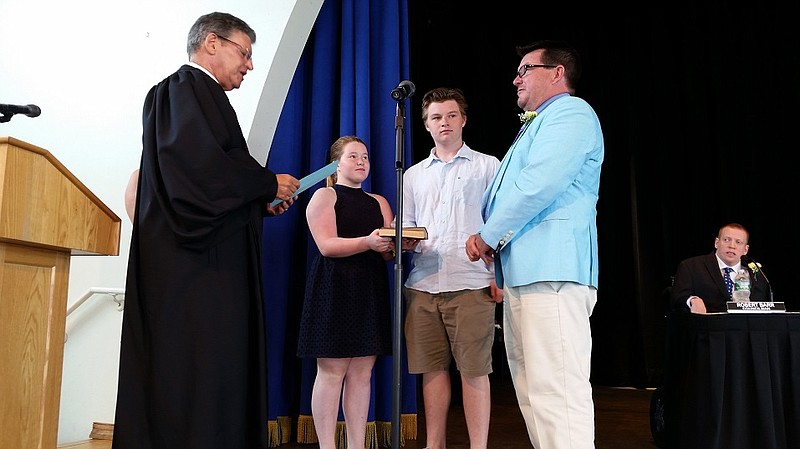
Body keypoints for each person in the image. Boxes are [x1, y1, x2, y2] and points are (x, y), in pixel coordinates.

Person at [112, 12, 300, 449]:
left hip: (202, 265)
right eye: (245, 52)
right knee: (201, 370)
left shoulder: (197, 96)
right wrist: (265, 183)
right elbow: (199, 171)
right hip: (196, 273)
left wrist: (258, 202)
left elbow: (208, 181)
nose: (250, 65)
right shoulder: (185, 89)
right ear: (212, 43)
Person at [466, 40, 604, 449]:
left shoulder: (571, 113)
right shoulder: (539, 121)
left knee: (558, 392)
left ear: (556, 73)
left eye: (525, 69)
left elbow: (538, 184)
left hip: (554, 272)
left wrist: (488, 235)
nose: (516, 78)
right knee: (533, 393)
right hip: (527, 274)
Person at [297, 136, 414, 449]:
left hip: (369, 290)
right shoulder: (324, 196)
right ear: (337, 164)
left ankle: (357, 444)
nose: (361, 162)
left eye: (364, 156)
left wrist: (401, 245)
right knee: (332, 372)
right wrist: (368, 242)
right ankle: (326, 445)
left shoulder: (379, 202)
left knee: (362, 373)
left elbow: (387, 250)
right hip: (334, 289)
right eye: (353, 157)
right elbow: (327, 245)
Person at [401, 87, 502, 449]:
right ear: (426, 125)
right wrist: (403, 239)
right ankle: (435, 444)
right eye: (436, 117)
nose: (444, 122)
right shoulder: (412, 175)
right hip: (423, 282)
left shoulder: (489, 166)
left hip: (472, 282)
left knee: (474, 371)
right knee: (432, 369)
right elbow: (408, 223)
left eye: (451, 115)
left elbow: (502, 223)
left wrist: (499, 278)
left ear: (463, 119)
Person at [670, 222, 769, 313]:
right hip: (707, 328)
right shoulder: (691, 267)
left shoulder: (757, 274)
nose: (731, 246)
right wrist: (692, 300)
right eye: (726, 240)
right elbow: (676, 298)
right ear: (716, 243)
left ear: (745, 249)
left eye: (738, 242)